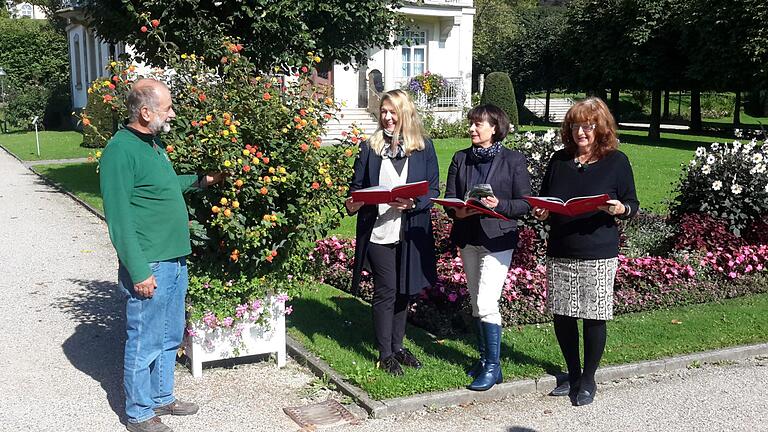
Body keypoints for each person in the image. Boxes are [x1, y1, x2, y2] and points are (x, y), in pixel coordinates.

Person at [100, 78, 222, 432]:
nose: (173, 113)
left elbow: (163, 185)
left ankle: (161, 397)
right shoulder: (120, 151)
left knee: (170, 335)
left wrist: (202, 180)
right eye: (167, 107)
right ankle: (138, 413)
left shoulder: (153, 145)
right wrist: (138, 271)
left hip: (175, 259)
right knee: (145, 338)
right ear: (145, 111)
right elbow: (119, 220)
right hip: (150, 263)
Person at [532, 97, 639, 406]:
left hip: (597, 250)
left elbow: (632, 204)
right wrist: (542, 211)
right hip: (561, 247)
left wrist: (619, 208)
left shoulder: (617, 161)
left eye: (588, 126)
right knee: (563, 314)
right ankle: (574, 374)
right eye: (576, 126)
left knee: (593, 315)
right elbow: (545, 199)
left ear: (601, 128)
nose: (581, 132)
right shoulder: (559, 160)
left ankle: (589, 378)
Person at [346, 89, 440, 376]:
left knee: (404, 291)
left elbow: (433, 191)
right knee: (386, 290)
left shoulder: (424, 148)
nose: (387, 117)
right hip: (378, 232)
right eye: (383, 112)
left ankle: (398, 346)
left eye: (392, 112)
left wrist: (414, 202)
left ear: (405, 114)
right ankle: (385, 353)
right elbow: (355, 190)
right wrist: (357, 199)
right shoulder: (370, 148)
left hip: (410, 231)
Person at [444, 104, 531, 391]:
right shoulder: (460, 158)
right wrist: (459, 211)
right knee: (475, 301)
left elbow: (525, 203)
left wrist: (500, 205)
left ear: (494, 128)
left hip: (498, 239)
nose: (472, 129)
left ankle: (493, 367)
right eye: (471, 123)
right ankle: (485, 360)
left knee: (485, 302)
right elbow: (450, 199)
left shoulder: (513, 160)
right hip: (468, 235)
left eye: (478, 124)